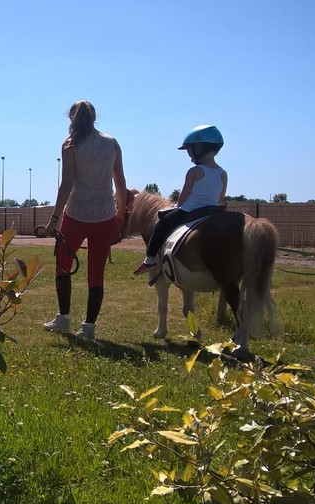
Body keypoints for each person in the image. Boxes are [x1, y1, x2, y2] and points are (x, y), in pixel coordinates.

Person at [42, 100, 128, 340]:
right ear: (94, 117)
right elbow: (120, 181)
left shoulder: (70, 145)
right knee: (96, 271)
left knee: (63, 264)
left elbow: (67, 184)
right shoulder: (112, 142)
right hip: (105, 216)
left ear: (72, 118)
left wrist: (54, 220)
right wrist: (121, 212)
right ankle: (89, 327)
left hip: (77, 214)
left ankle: (63, 318)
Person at [134, 125, 228, 276]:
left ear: (200, 148)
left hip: (189, 210)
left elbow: (183, 196)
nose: (190, 156)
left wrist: (178, 206)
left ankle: (149, 260)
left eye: (190, 151)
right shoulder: (223, 173)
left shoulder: (194, 171)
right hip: (212, 211)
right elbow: (220, 197)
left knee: (161, 225)